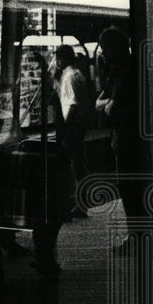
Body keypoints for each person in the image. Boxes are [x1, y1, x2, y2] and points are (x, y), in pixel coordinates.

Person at [95, 27, 142, 232]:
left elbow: (109, 107)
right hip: (122, 138)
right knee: (129, 187)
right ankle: (136, 233)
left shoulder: (125, 73)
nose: (103, 54)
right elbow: (100, 103)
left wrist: (106, 105)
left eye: (106, 49)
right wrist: (107, 104)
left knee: (130, 187)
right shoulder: (118, 71)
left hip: (127, 139)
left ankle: (136, 233)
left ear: (116, 48)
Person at [54, 44, 91, 219]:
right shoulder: (78, 75)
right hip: (80, 125)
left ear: (64, 58)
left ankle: (69, 206)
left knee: (67, 167)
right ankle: (81, 204)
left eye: (58, 58)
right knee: (78, 166)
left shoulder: (68, 77)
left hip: (72, 126)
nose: (57, 62)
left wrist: (66, 129)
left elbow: (73, 105)